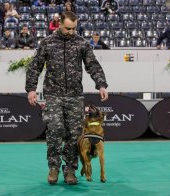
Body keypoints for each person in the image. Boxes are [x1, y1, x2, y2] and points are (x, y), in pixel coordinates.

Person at [25, 11, 108, 185]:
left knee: (74, 135)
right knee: (55, 130)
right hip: (53, 95)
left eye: (74, 28)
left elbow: (92, 65)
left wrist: (101, 84)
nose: (71, 31)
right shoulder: (47, 43)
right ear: (59, 24)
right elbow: (35, 67)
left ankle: (70, 170)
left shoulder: (81, 43)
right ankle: (53, 168)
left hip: (75, 96)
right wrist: (31, 89)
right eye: (68, 28)